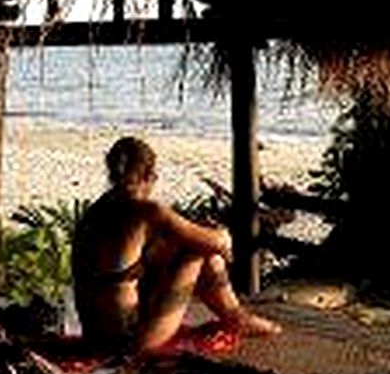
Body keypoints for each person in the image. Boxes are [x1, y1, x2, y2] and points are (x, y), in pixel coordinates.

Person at [72, 136, 281, 353]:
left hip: (94, 337)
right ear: (149, 175)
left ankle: (236, 317)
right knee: (198, 252)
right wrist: (221, 236)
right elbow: (216, 241)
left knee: (171, 250)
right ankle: (236, 317)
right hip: (131, 342)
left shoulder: (96, 210)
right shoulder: (147, 210)